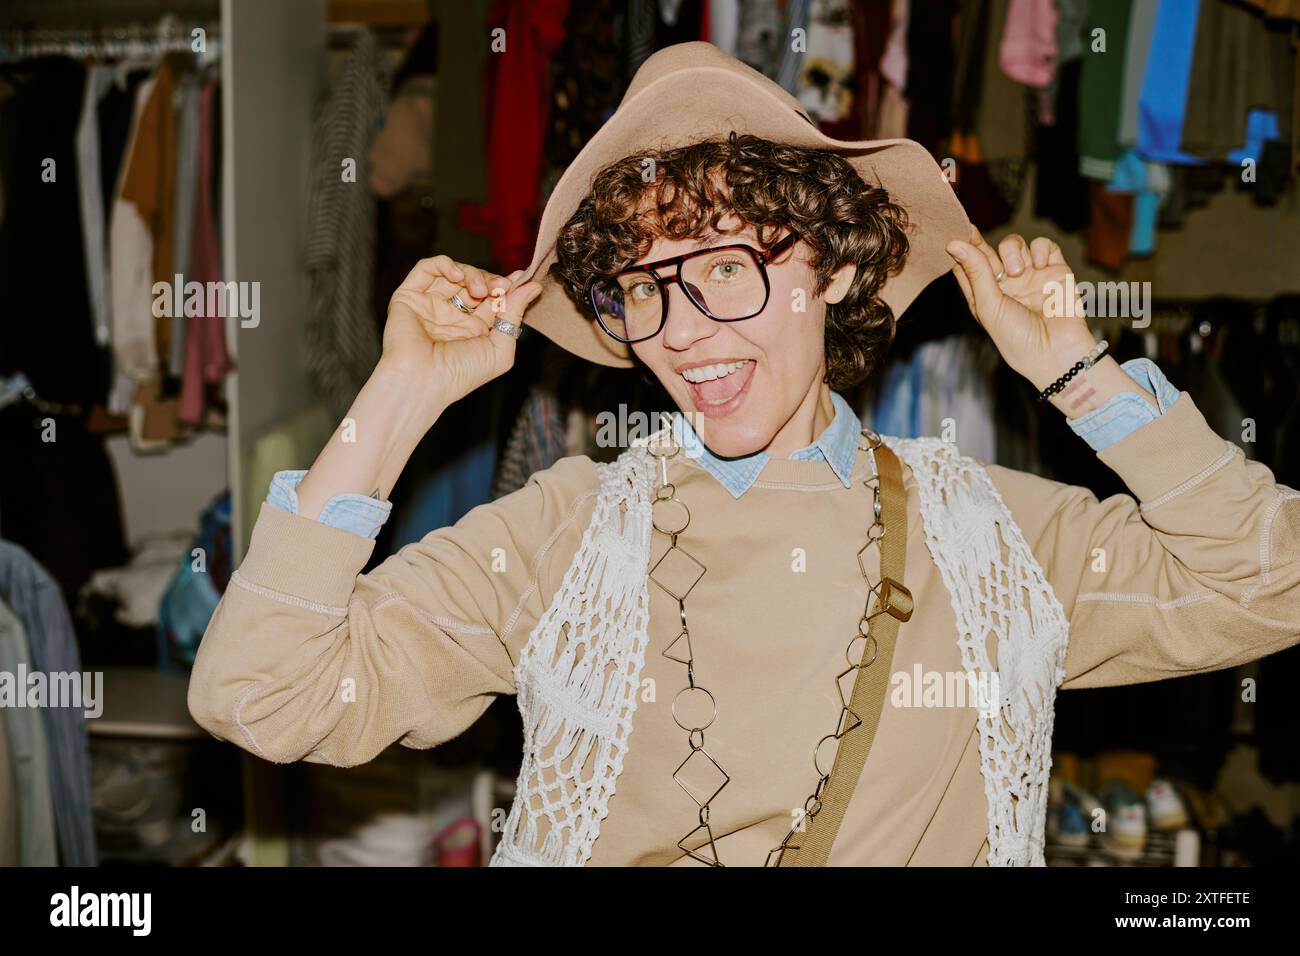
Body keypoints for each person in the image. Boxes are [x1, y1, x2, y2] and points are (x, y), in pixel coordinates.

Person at [188, 43, 1300, 867]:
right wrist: (399, 395)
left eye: (724, 268)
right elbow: (262, 694)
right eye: (644, 288)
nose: (680, 332)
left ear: (832, 266)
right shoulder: (559, 534)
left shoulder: (998, 538)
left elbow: (1272, 579)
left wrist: (1081, 377)